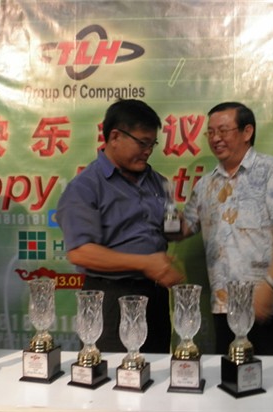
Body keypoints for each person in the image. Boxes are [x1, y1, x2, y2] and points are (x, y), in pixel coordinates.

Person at [56, 99, 184, 353]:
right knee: (112, 374)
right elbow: (80, 252)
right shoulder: (85, 187)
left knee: (155, 370)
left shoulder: (158, 182)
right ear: (115, 136)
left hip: (155, 298)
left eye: (152, 144)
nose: (148, 151)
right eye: (142, 143)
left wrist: (186, 225)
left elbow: (170, 231)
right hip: (109, 299)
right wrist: (146, 263)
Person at [182, 101, 273, 356]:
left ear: (247, 132)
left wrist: (269, 285)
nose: (216, 138)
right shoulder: (205, 185)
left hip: (271, 306)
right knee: (229, 376)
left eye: (223, 131)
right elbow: (184, 228)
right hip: (225, 307)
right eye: (211, 132)